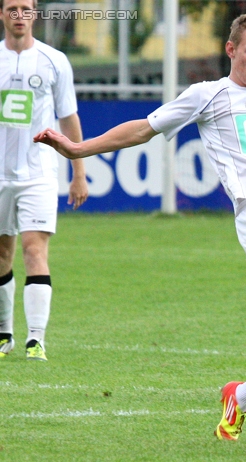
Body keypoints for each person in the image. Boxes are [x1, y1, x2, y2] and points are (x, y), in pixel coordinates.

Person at [34, 10, 246, 441]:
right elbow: (143, 129)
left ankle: (240, 396)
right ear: (231, 50)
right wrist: (79, 149)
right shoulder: (207, 95)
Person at [0, 0, 88, 362]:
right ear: (2, 14)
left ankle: (36, 340)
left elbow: (68, 118)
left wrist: (78, 171)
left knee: (34, 250)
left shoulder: (54, 60)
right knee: (2, 253)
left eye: (25, 8)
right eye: (12, 9)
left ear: (35, 14)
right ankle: (4, 335)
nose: (19, 15)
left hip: (39, 174)